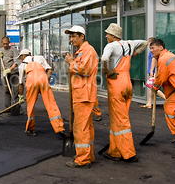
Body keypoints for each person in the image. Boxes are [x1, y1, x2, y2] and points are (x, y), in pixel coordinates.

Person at [101, 23, 147, 163]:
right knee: (118, 117)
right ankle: (115, 151)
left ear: (114, 36)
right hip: (127, 81)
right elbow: (145, 43)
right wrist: (134, 54)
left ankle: (128, 153)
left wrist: (107, 71)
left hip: (116, 82)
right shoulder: (129, 43)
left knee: (120, 120)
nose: (106, 36)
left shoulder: (111, 46)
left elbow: (104, 59)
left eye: (108, 34)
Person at [63, 25, 98, 168]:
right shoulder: (81, 52)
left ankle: (82, 159)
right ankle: (88, 156)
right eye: (70, 37)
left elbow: (84, 70)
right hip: (82, 93)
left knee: (80, 128)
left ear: (81, 36)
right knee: (86, 127)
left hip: (84, 94)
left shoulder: (88, 51)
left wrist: (71, 63)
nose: (71, 39)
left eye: (73, 37)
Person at [18, 48, 66, 138]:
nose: (21, 58)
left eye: (20, 57)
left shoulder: (23, 64)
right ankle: (59, 128)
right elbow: (49, 71)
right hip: (43, 78)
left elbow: (21, 83)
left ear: (23, 56)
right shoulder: (40, 57)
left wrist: (21, 96)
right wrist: (45, 82)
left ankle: (31, 129)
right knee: (51, 104)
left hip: (31, 81)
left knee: (31, 106)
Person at [0, 36, 21, 116]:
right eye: (4, 44)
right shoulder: (1, 50)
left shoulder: (13, 50)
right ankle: (8, 108)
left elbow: (17, 61)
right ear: (2, 43)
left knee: (16, 91)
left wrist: (10, 69)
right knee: (7, 91)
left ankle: (17, 108)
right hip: (5, 74)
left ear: (9, 43)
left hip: (14, 73)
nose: (5, 45)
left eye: (7, 44)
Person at [141, 37, 166, 108]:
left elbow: (154, 60)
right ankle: (149, 103)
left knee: (152, 87)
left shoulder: (153, 52)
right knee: (150, 87)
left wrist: (151, 71)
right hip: (151, 71)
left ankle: (166, 99)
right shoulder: (152, 51)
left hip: (153, 72)